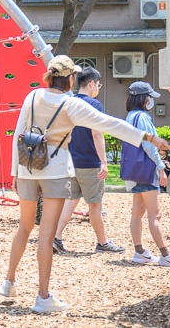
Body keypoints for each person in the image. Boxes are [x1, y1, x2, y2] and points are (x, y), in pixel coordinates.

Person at [0, 56, 170, 314]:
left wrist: (15, 171)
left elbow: (19, 132)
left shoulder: (32, 97)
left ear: (49, 76)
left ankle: (9, 281)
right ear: (70, 78)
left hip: (27, 168)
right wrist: (148, 137)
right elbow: (110, 124)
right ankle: (43, 297)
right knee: (46, 236)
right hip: (55, 173)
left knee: (24, 227)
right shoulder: (71, 105)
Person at [52, 66, 125, 255]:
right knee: (95, 205)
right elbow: (97, 134)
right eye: (98, 84)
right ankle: (102, 243)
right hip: (89, 164)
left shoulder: (68, 103)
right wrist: (104, 161)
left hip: (70, 163)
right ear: (91, 84)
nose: (97, 88)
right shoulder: (93, 104)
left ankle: (56, 238)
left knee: (70, 201)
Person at [123, 81, 170, 269]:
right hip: (146, 171)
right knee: (155, 215)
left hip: (135, 172)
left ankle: (140, 251)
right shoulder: (142, 117)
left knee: (137, 213)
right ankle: (165, 255)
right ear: (143, 98)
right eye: (149, 97)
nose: (151, 100)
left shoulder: (130, 116)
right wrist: (160, 167)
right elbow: (150, 146)